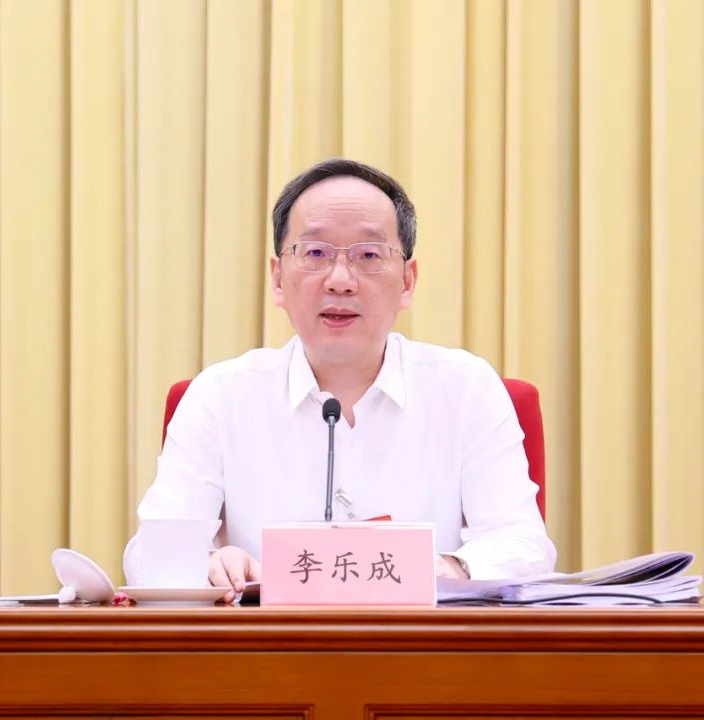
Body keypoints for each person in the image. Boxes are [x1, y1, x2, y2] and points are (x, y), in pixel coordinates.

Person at [134, 158, 556, 602]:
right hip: (266, 643)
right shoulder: (219, 395)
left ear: (407, 281)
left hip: (424, 643)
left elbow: (525, 546)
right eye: (315, 254)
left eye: (368, 256)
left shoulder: (467, 389)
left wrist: (447, 568)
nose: (340, 281)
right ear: (278, 279)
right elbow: (148, 554)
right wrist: (206, 565)